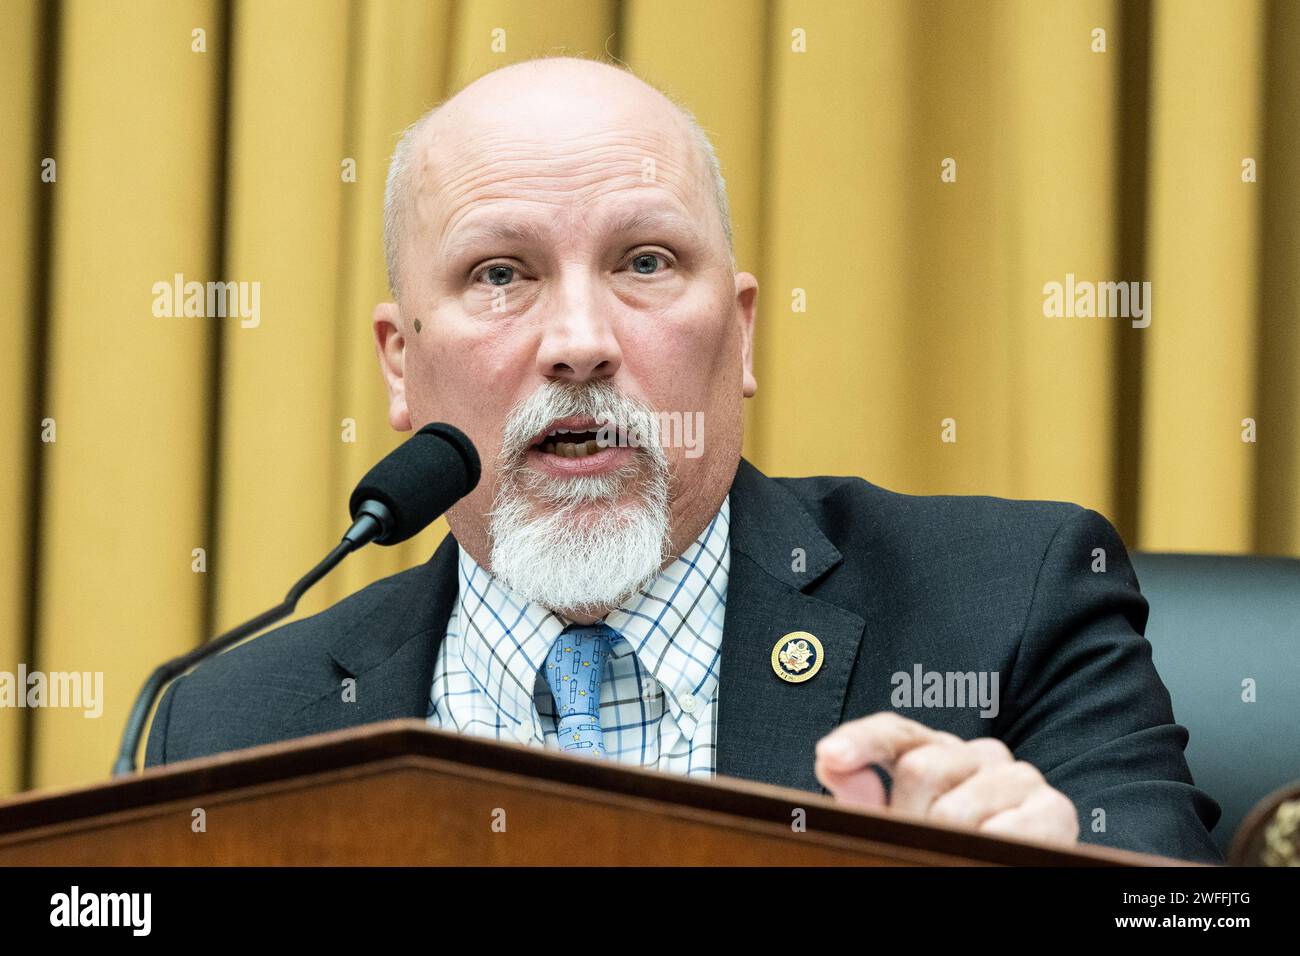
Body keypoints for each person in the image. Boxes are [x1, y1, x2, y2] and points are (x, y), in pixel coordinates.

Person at [145, 56, 1222, 864]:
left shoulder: (1009, 599)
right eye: (498, 273)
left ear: (740, 330)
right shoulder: (235, 723)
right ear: (400, 361)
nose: (578, 339)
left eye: (644, 260)